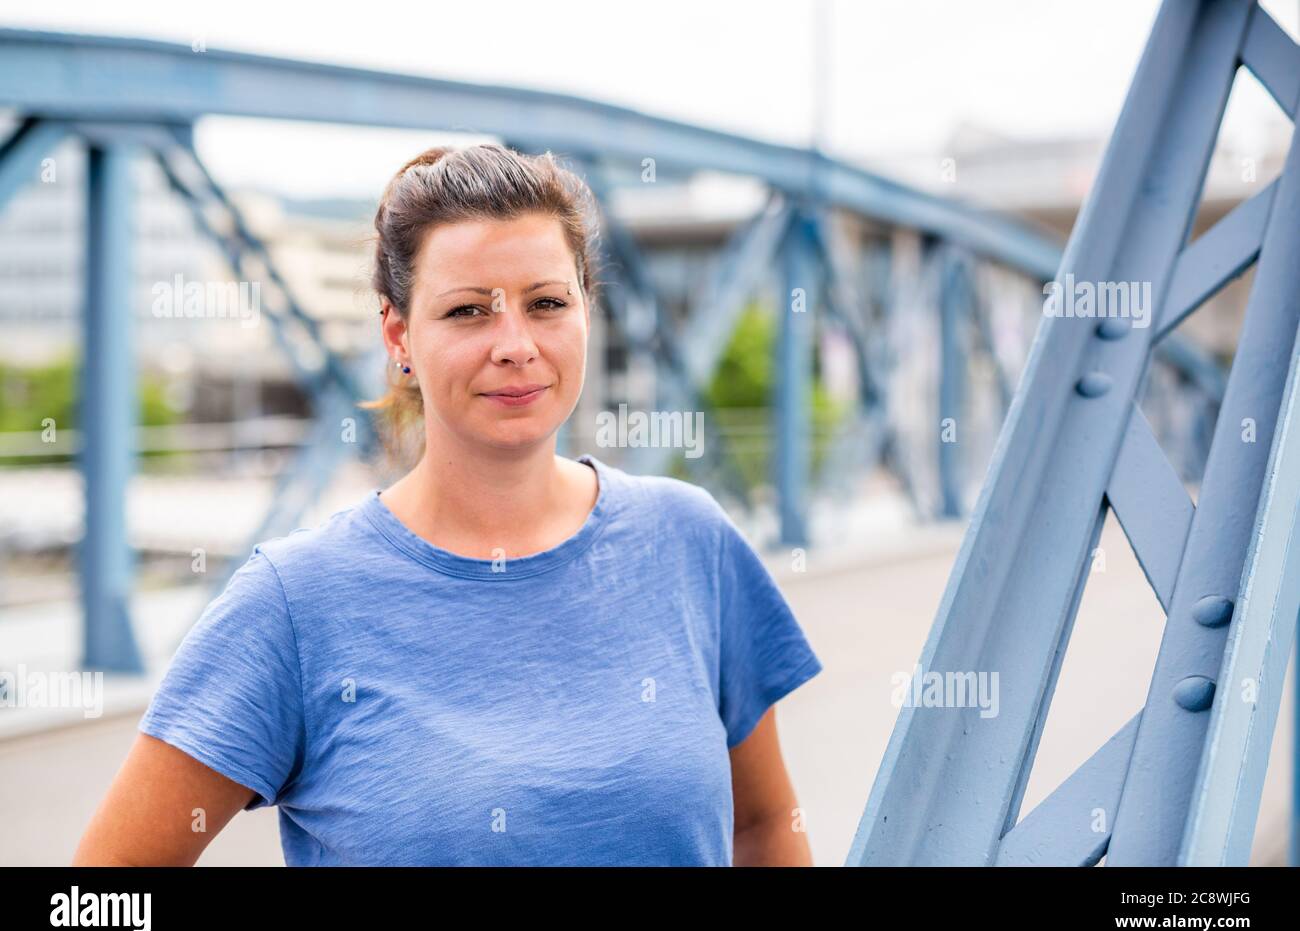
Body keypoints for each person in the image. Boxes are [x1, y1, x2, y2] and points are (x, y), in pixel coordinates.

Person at [73, 143, 823, 866]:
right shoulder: (296, 605)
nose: (516, 344)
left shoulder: (689, 541)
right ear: (399, 334)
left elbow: (762, 825)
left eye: (547, 303)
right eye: (469, 311)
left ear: (587, 310)